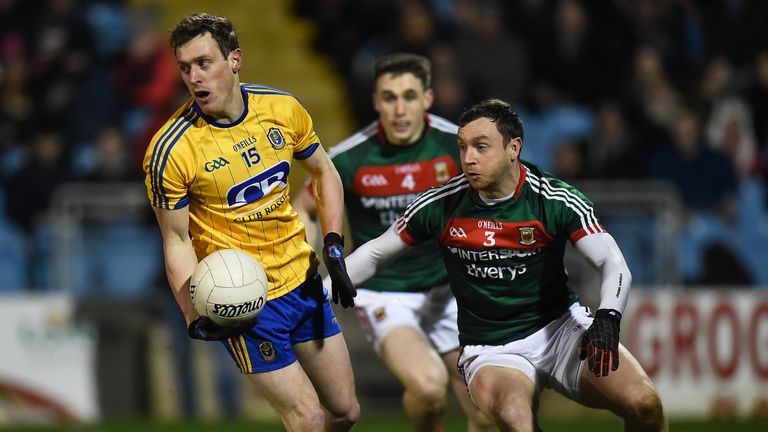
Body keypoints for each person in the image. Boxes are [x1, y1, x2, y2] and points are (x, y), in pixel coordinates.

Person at [337, 99, 668, 431]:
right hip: (491, 349)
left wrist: (608, 316)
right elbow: (378, 252)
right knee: (516, 421)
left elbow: (613, 263)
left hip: (560, 331)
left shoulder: (553, 199)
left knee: (645, 405)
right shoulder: (441, 203)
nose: (468, 158)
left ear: (514, 148)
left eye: (481, 147)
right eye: (463, 147)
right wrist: (327, 285)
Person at [142, 13, 359, 431]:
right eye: (185, 68)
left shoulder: (281, 109)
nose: (194, 77)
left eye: (204, 63)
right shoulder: (170, 149)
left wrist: (333, 245)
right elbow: (176, 239)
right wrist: (195, 315)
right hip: (244, 300)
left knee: (345, 411)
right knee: (309, 418)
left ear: (235, 59)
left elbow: (324, 173)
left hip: (302, 279)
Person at [294, 53, 493, 432]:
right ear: (375, 101)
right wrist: (310, 253)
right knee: (430, 386)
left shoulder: (458, 145)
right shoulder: (350, 157)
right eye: (389, 97)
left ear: (428, 98)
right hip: (387, 294)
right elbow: (304, 208)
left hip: (451, 291)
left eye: (409, 96)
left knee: (488, 411)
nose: (400, 109)